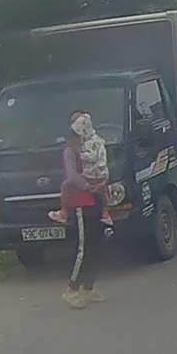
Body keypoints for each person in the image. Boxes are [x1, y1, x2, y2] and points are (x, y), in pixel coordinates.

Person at [59, 111, 106, 309]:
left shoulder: (91, 146)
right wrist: (88, 186)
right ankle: (71, 289)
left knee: (96, 244)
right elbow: (71, 177)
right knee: (82, 247)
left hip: (94, 200)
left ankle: (88, 287)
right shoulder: (70, 151)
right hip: (79, 202)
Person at [48, 112, 112, 227]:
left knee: (65, 186)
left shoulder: (71, 150)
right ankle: (106, 213)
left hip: (84, 189)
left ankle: (64, 213)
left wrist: (87, 186)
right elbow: (103, 162)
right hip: (99, 180)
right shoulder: (99, 142)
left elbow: (72, 176)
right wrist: (103, 181)